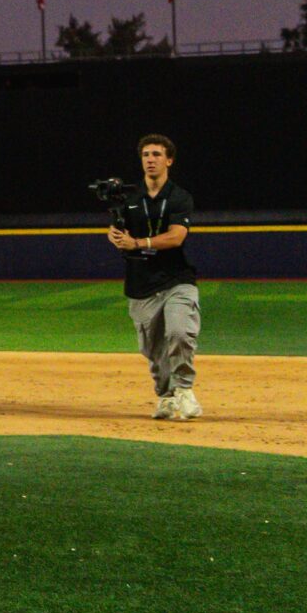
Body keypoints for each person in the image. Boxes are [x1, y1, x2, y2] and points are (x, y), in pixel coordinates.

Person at [108, 134, 200, 420]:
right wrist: (113, 236)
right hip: (140, 284)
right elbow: (116, 230)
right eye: (146, 154)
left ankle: (184, 390)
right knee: (152, 349)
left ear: (168, 160)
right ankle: (166, 396)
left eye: (157, 154)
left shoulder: (179, 197)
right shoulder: (130, 199)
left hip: (176, 279)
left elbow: (176, 237)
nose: (150, 159)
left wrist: (139, 243)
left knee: (179, 332)